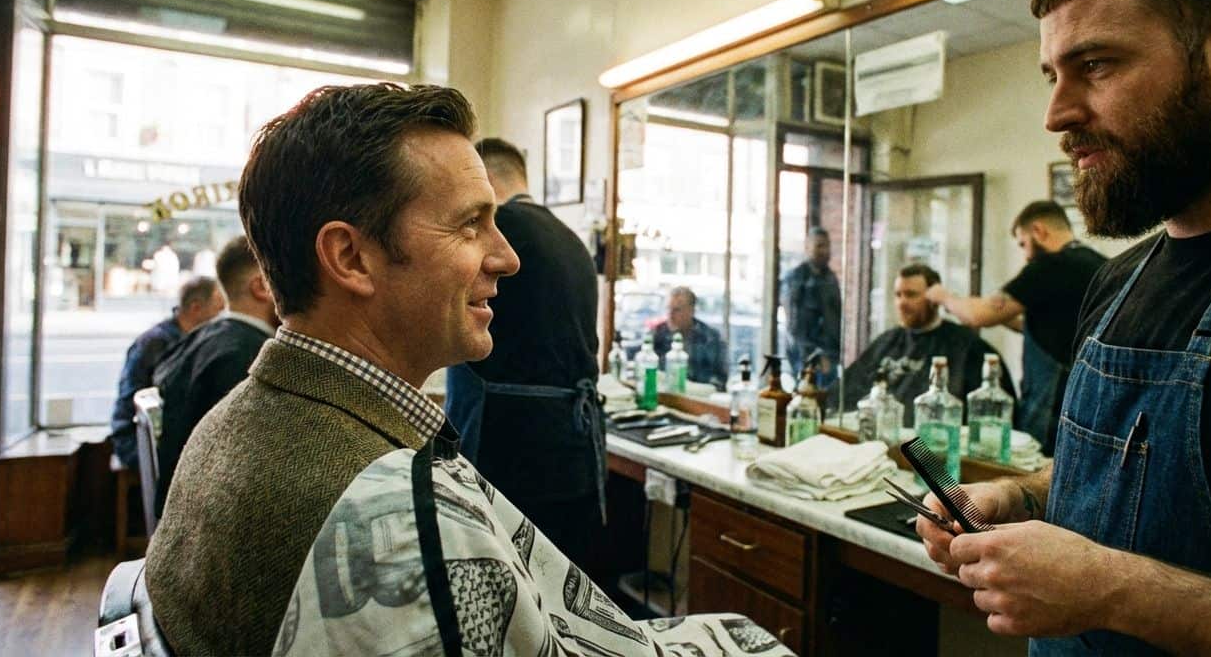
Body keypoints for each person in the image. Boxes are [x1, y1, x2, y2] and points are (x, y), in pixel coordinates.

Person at [147, 83, 786, 657]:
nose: (506, 257)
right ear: (351, 257)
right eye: (470, 224)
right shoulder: (398, 528)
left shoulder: (227, 427)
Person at [917, 0, 1211, 654]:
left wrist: (1113, 590)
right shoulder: (1120, 278)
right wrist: (1018, 497)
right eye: (1051, 75)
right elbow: (1111, 478)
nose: (1057, 113)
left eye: (1095, 64)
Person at [444, 137, 604, 572]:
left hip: (512, 448)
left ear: (486, 180)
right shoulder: (570, 238)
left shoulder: (502, 230)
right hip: (572, 450)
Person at [925, 201, 1105, 452]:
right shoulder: (1097, 264)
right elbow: (1051, 328)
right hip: (1087, 400)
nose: (1026, 255)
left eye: (1023, 243)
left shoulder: (1049, 267)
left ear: (1038, 230)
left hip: (1052, 403)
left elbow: (978, 316)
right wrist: (997, 312)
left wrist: (943, 297)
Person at [150, 235, 279, 518]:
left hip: (175, 506)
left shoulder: (199, 338)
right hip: (205, 520)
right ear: (262, 286)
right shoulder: (249, 359)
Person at [833, 264, 1015, 424]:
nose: (902, 303)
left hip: (927, 452)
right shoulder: (886, 342)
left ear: (934, 301)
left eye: (911, 295)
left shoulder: (965, 347)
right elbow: (843, 396)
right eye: (898, 295)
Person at [108, 275, 222, 469]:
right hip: (135, 438)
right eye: (218, 308)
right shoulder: (156, 343)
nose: (222, 316)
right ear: (196, 308)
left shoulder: (189, 340)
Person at [781, 227, 841, 379]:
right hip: (805, 359)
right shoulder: (796, 278)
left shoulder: (830, 278)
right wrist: (816, 356)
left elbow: (834, 320)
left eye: (827, 246)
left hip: (830, 357)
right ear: (807, 248)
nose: (825, 251)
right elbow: (795, 328)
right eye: (819, 246)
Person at [651, 286, 728, 388]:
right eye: (668, 309)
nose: (670, 315)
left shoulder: (710, 337)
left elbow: (721, 378)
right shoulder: (658, 333)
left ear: (691, 311)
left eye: (677, 310)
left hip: (699, 396)